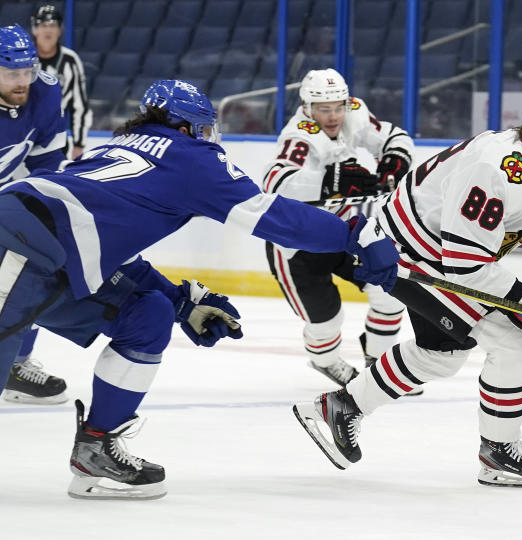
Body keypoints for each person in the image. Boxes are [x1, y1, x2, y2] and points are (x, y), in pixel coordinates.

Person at [0, 79, 399, 500]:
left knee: (147, 313)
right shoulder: (191, 158)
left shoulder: (115, 146)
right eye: (205, 128)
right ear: (188, 127)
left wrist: (176, 300)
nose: (210, 136)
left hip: (46, 252)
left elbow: (99, 243)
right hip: (19, 246)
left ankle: (95, 447)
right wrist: (354, 232)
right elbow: (273, 216)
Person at [293, 94, 522, 488]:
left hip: (441, 255)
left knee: (442, 353)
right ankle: (499, 451)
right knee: (514, 343)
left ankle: (342, 407)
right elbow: (465, 265)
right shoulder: (494, 167)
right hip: (404, 250)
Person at [262, 69, 417, 390]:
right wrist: (330, 181)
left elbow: (393, 135)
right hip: (296, 246)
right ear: (307, 108)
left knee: (391, 291)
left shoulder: (354, 113)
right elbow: (274, 182)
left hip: (344, 233)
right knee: (327, 318)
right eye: (323, 109)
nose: (332, 116)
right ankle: (325, 360)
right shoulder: (298, 136)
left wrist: (395, 160)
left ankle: (379, 364)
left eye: (337, 107)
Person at [0, 23, 70, 405]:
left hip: (7, 201)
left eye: (26, 72)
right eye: (11, 74)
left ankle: (16, 365)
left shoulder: (44, 92)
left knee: (40, 265)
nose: (22, 81)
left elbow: (46, 163)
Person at [30, 5, 91, 160]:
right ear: (35, 29)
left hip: (56, 140)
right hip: (23, 137)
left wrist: (79, 144)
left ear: (60, 30)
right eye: (43, 25)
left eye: (53, 25)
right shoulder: (23, 58)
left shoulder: (70, 60)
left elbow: (80, 105)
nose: (48, 30)